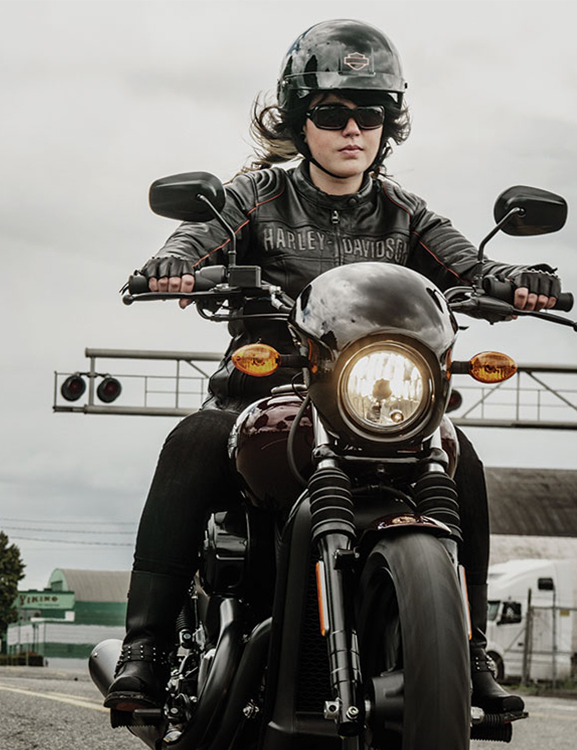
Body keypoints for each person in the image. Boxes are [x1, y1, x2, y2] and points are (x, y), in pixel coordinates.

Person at [104, 19, 562, 717]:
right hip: (268, 394)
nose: (354, 128)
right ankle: (148, 648)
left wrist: (515, 279)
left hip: (376, 401)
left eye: (370, 112)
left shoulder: (408, 213)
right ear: (300, 119)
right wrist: (177, 263)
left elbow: (471, 265)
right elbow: (198, 233)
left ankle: (465, 651)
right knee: (193, 440)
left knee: (458, 456)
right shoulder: (256, 194)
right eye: (332, 111)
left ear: (389, 125)